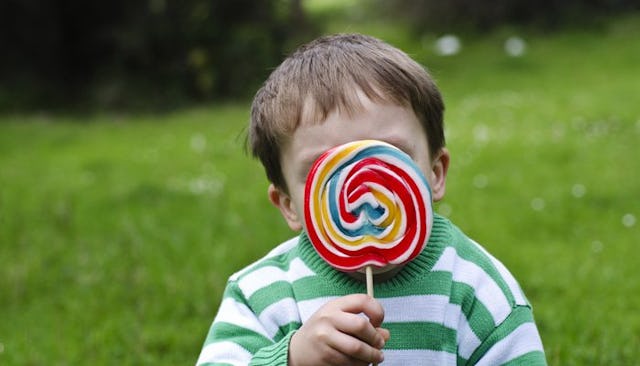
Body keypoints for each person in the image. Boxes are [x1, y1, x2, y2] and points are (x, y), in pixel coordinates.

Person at [196, 33, 546, 365]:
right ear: (289, 204)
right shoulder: (261, 295)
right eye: (324, 168)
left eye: (390, 156)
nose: (362, 187)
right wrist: (290, 357)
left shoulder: (477, 289)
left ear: (435, 173)